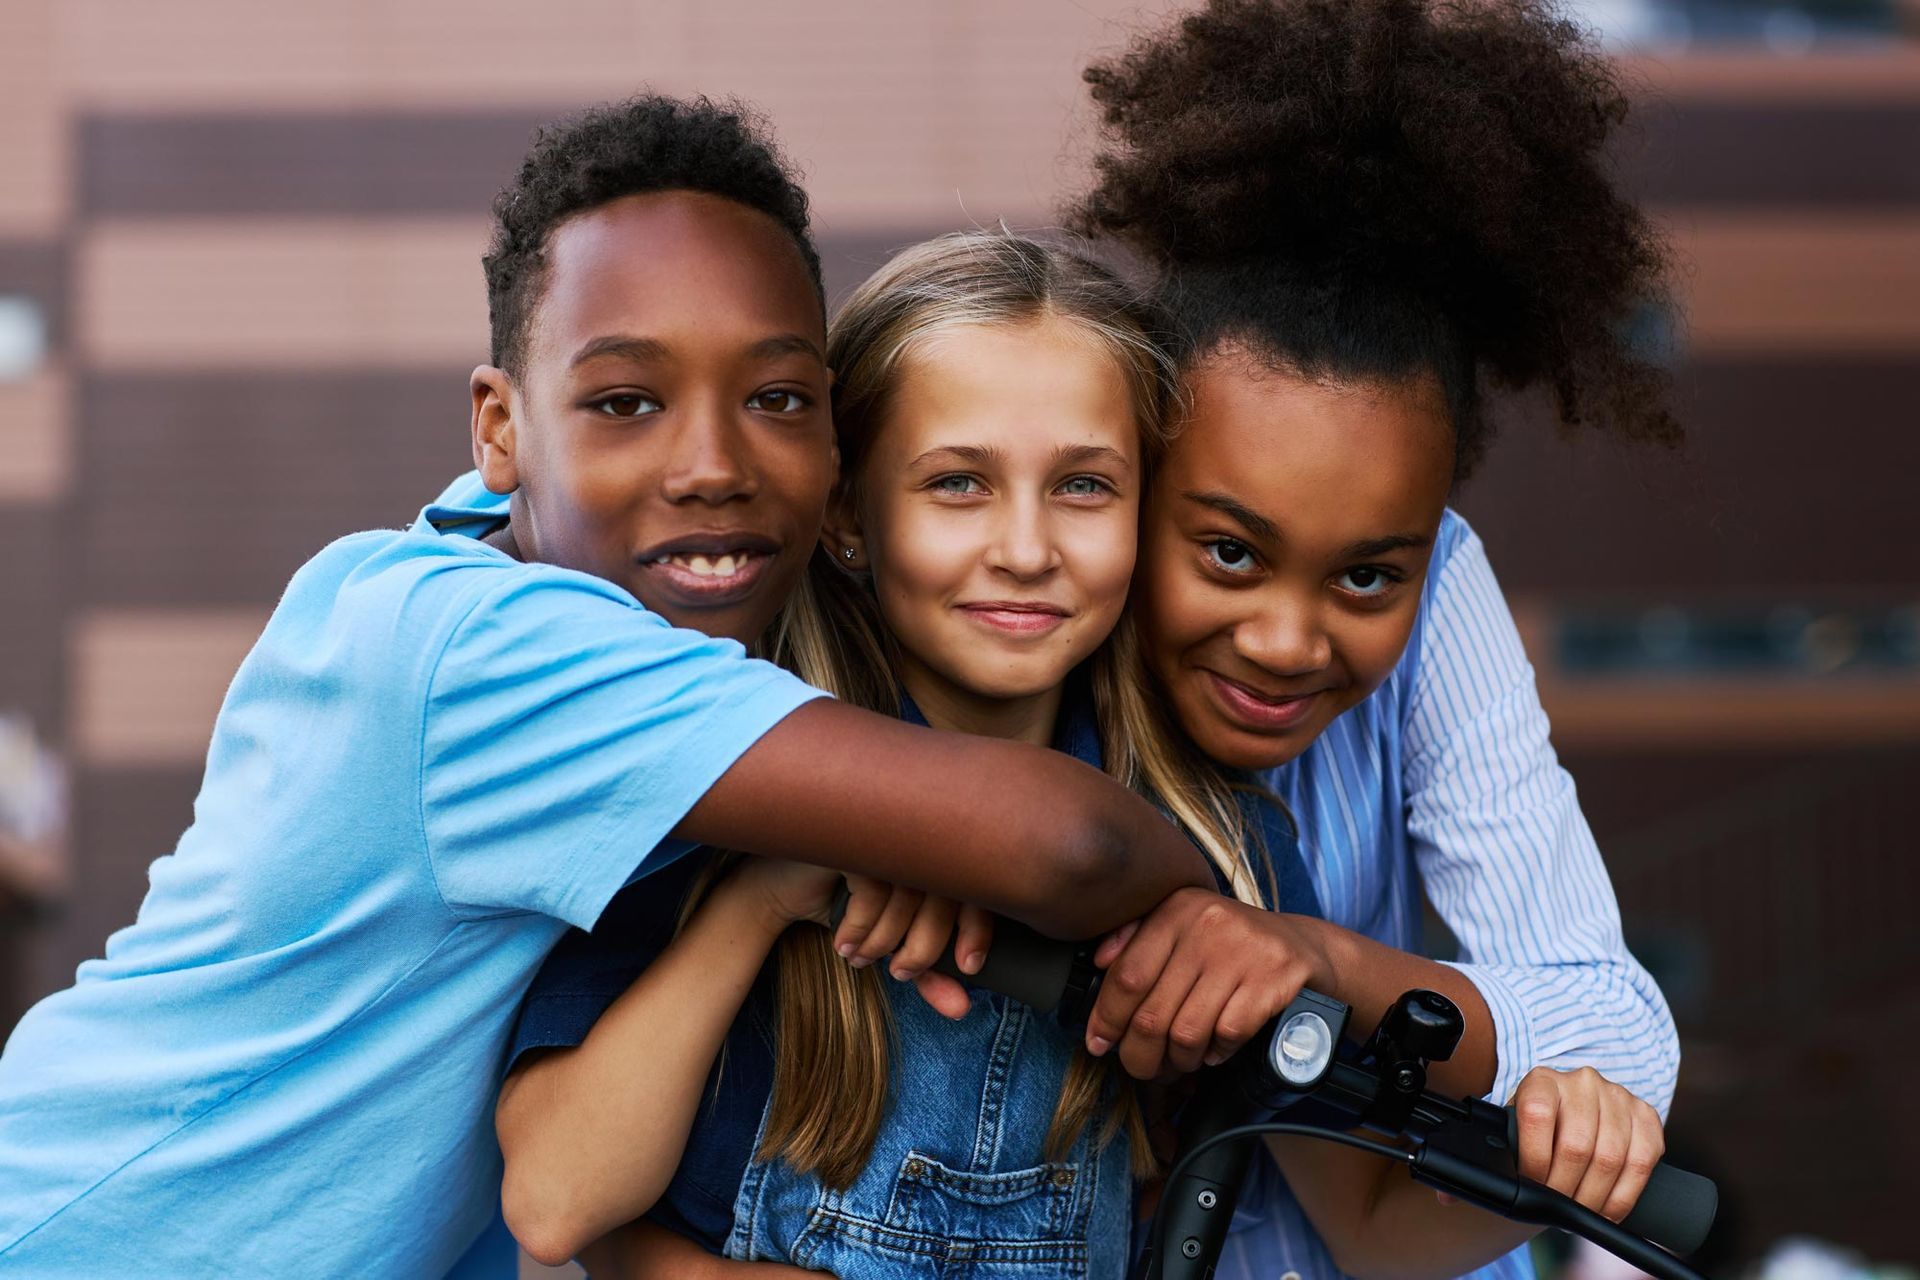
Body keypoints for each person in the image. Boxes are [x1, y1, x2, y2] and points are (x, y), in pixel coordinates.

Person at [0, 99, 1215, 1279]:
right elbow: (1065, 846)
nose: (713, 464)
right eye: (627, 401)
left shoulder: (516, 549)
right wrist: (1237, 933)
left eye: (777, 398)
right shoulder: (497, 646)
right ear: (498, 423)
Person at [495, 231, 1668, 1280]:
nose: (1024, 547)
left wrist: (1557, 1161)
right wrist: (761, 899)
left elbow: (1363, 1221)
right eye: (958, 483)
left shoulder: (1222, 845)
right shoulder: (733, 772)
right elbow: (556, 1200)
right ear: (849, 512)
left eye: (1084, 487)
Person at [1063, 1, 1684, 1275]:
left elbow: (1621, 1036)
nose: (1290, 638)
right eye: (1228, 551)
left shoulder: (1446, 581)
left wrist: (1309, 954)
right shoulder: (1043, 608)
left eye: (1365, 575)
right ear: (1132, 478)